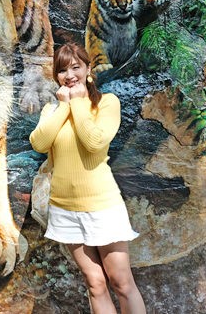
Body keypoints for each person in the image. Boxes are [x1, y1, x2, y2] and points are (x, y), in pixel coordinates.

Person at [29, 42, 146, 314]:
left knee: (121, 281)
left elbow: (94, 142)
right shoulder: (52, 110)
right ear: (55, 76)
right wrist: (64, 107)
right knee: (95, 283)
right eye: (62, 70)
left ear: (88, 69)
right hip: (65, 209)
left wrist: (79, 103)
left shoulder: (107, 104)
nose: (69, 75)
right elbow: (39, 142)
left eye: (75, 67)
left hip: (102, 206)